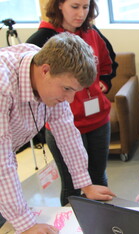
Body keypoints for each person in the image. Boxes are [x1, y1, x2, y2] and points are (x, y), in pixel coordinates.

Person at [0, 33, 115, 234]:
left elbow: (67, 133)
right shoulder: (3, 84)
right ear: (45, 71)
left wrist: (86, 184)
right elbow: (2, 161)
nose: (70, 100)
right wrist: (26, 224)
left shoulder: (46, 67)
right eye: (67, 89)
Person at [26, 0, 116, 206]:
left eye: (85, 7)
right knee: (73, 186)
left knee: (96, 178)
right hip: (66, 122)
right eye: (75, 7)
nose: (81, 13)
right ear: (59, 5)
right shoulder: (41, 40)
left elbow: (108, 61)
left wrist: (104, 82)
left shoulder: (92, 32)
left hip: (95, 119)